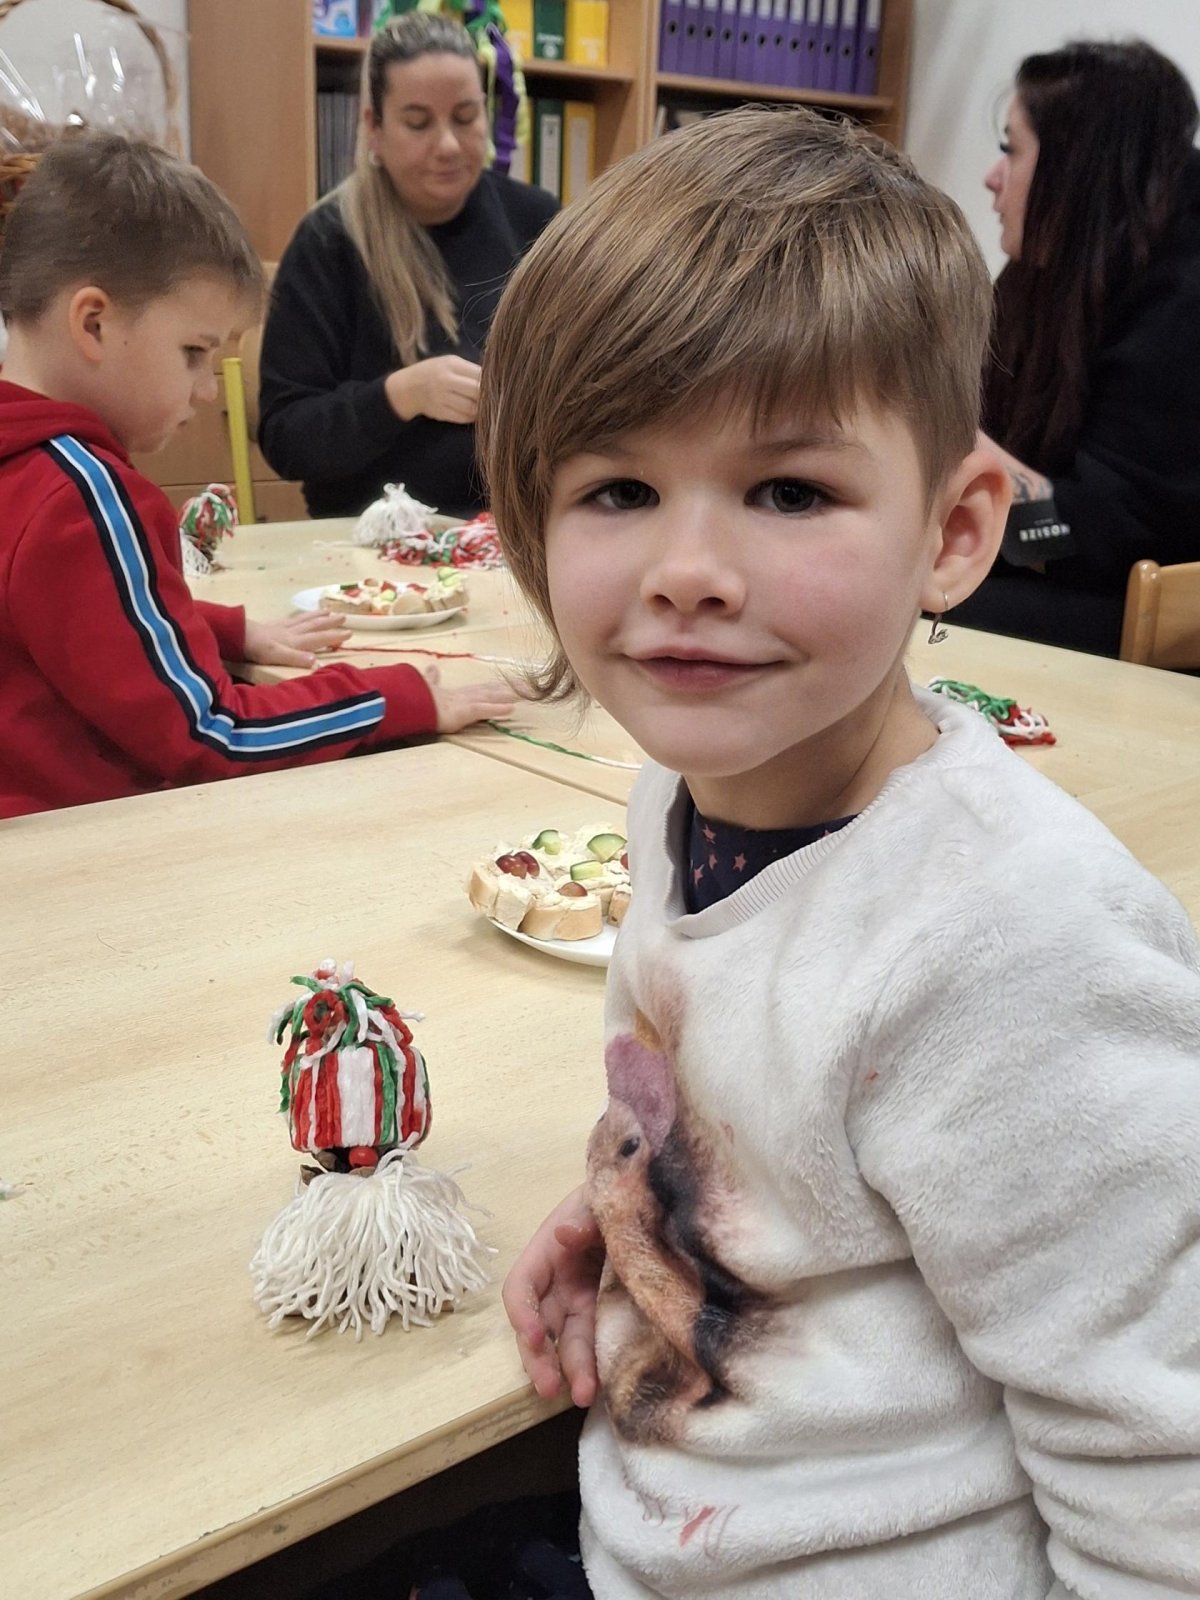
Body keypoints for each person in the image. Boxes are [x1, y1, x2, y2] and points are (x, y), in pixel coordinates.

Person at [471, 109, 1200, 1596]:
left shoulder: (1017, 944)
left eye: (789, 492)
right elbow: (775, 1131)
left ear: (955, 531)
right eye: (618, 489)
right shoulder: (684, 792)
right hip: (653, 1521)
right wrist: (631, 1211)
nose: (687, 571)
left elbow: (1162, 1481)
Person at [0, 132, 513, 820]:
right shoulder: (83, 494)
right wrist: (397, 697)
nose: (206, 389)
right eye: (194, 352)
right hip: (88, 851)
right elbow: (214, 735)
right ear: (93, 323)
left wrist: (224, 629)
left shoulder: (22, 463)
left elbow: (75, 619)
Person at [951, 38, 1200, 656]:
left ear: (1077, 167)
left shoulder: (1182, 299)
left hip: (1149, 609)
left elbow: (1093, 535)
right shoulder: (1059, 271)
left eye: (1011, 150)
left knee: (906, 601)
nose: (992, 176)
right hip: (1075, 567)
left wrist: (943, 435)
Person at [257, 13, 558, 521]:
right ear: (373, 127)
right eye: (418, 123)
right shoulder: (329, 241)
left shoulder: (536, 219)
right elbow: (287, 438)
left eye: (466, 117)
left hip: (514, 524)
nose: (448, 145)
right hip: (372, 532)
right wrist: (401, 395)